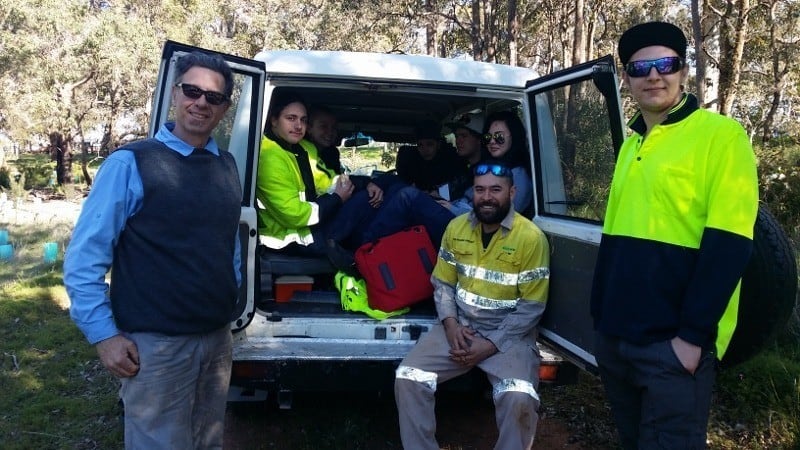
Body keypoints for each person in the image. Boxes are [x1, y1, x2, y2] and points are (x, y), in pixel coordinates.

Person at [590, 21, 759, 449]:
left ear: (683, 71)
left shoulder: (721, 136)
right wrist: (600, 320)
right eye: (639, 67)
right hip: (617, 339)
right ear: (626, 78)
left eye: (665, 64)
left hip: (673, 346)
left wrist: (692, 339)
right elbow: (614, 238)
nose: (653, 75)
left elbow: (730, 245)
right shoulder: (631, 145)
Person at [64, 51, 242, 449]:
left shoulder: (226, 165)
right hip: (155, 347)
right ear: (175, 94)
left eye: (213, 97)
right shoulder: (131, 164)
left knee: (206, 440)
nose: (201, 103)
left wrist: (230, 306)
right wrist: (104, 335)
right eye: (192, 91)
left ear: (224, 108)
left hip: (215, 338)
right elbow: (83, 259)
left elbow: (227, 242)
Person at [394, 159, 550, 450]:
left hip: (509, 336)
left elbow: (532, 305)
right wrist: (451, 326)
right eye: (480, 190)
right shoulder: (456, 227)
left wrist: (490, 344)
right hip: (461, 329)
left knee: (518, 396)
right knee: (409, 377)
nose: (487, 197)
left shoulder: (531, 238)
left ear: (512, 192)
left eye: (495, 190)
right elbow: (443, 283)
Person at [361, 113, 487, 248]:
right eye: (457, 136)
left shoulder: (489, 171)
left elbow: (484, 213)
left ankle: (366, 247)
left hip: (463, 224)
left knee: (407, 194)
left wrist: (451, 207)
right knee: (396, 189)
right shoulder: (463, 166)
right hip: (447, 210)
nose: (458, 141)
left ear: (479, 139)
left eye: (464, 136)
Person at [305, 105, 386, 208]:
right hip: (321, 209)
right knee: (366, 196)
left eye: (334, 128)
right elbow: (335, 184)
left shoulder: (331, 153)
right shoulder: (302, 154)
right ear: (309, 128)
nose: (330, 132)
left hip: (332, 203)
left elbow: (338, 179)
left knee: (387, 181)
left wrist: (367, 183)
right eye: (323, 126)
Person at [395, 120, 468, 194]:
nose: (425, 149)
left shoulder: (451, 164)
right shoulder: (414, 165)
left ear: (438, 145)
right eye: (420, 145)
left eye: (429, 144)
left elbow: (455, 188)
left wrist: (433, 192)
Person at [482, 110, 533, 216]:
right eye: (488, 137)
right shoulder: (486, 167)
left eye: (499, 137)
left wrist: (455, 210)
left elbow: (505, 215)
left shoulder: (519, 173)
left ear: (514, 137)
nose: (492, 142)